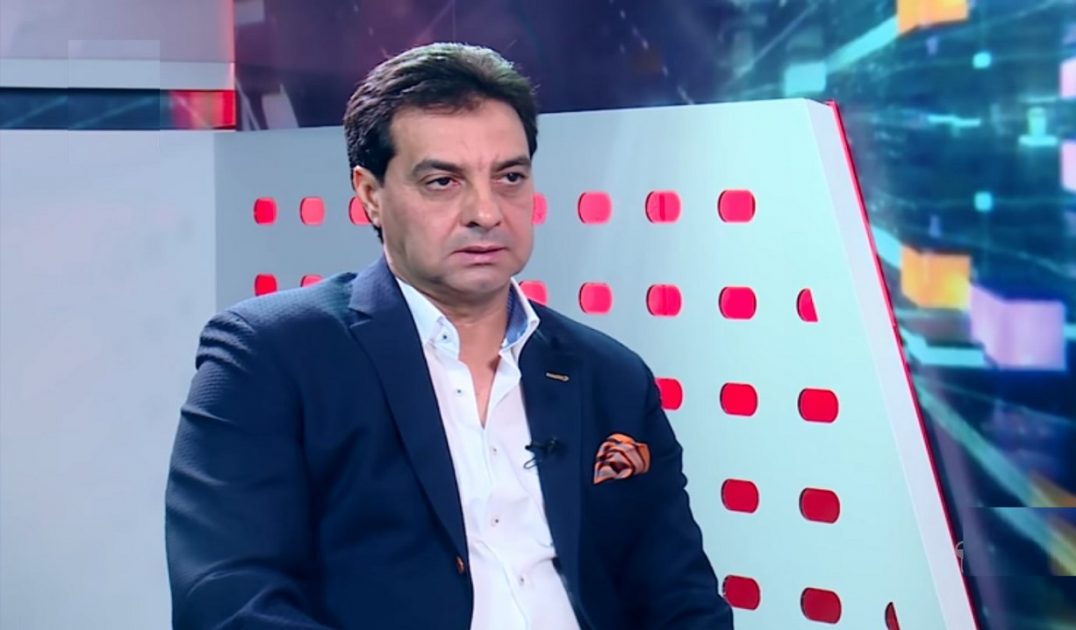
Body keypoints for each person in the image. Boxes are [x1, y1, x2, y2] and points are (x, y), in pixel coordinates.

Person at [165, 42, 732, 630]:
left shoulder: (611, 376)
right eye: (443, 181)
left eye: (509, 177)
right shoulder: (270, 356)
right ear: (370, 196)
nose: (486, 212)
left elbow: (682, 598)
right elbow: (227, 601)